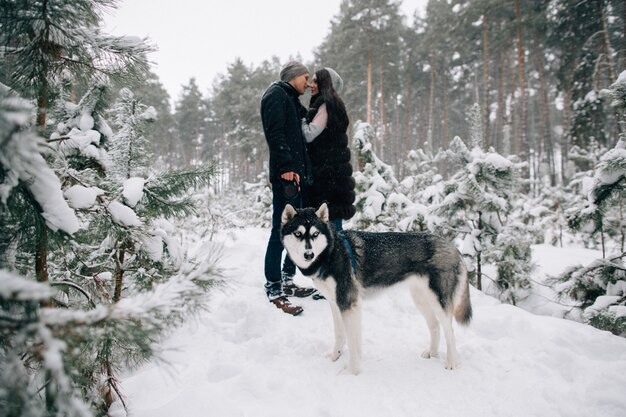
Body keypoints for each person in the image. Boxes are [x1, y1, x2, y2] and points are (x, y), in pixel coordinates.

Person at [260, 61, 319, 315]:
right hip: (286, 176)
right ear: (293, 77)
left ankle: (287, 278)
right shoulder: (275, 95)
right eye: (305, 77)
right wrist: (285, 166)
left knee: (295, 230)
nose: (308, 83)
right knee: (281, 229)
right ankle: (273, 285)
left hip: (297, 176)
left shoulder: (291, 99)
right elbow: (275, 133)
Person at [301, 68, 356, 231]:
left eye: (316, 81)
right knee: (330, 227)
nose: (311, 85)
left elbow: (310, 134)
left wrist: (300, 119)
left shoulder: (326, 105)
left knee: (331, 229)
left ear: (326, 84)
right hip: (331, 176)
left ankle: (340, 256)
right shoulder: (327, 104)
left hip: (329, 178)